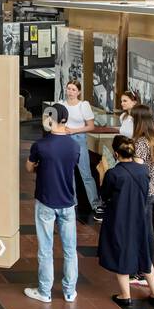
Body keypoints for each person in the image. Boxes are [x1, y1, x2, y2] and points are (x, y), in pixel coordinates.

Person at [24, 103, 81, 305]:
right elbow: (70, 165)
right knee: (70, 250)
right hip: (68, 202)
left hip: (46, 201)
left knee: (45, 250)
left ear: (50, 118)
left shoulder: (40, 145)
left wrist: (40, 166)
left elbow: (29, 167)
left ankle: (45, 291)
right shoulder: (74, 145)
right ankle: (69, 291)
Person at [99, 135, 154, 307]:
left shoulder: (114, 173)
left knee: (121, 254)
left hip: (119, 219)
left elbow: (104, 196)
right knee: (144, 254)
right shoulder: (142, 171)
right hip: (140, 218)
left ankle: (125, 295)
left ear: (116, 153)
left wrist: (102, 174)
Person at [127, 103, 154, 286]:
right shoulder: (153, 138)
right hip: (153, 189)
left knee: (141, 232)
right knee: (148, 231)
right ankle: (147, 269)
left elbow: (137, 170)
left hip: (142, 193)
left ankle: (143, 272)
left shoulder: (140, 142)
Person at [61, 80, 103, 219]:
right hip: (65, 140)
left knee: (85, 173)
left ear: (78, 92)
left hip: (79, 139)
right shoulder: (61, 105)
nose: (70, 92)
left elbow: (91, 126)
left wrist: (74, 130)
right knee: (68, 173)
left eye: (73, 89)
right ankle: (72, 202)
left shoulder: (83, 105)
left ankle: (95, 203)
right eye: (69, 89)